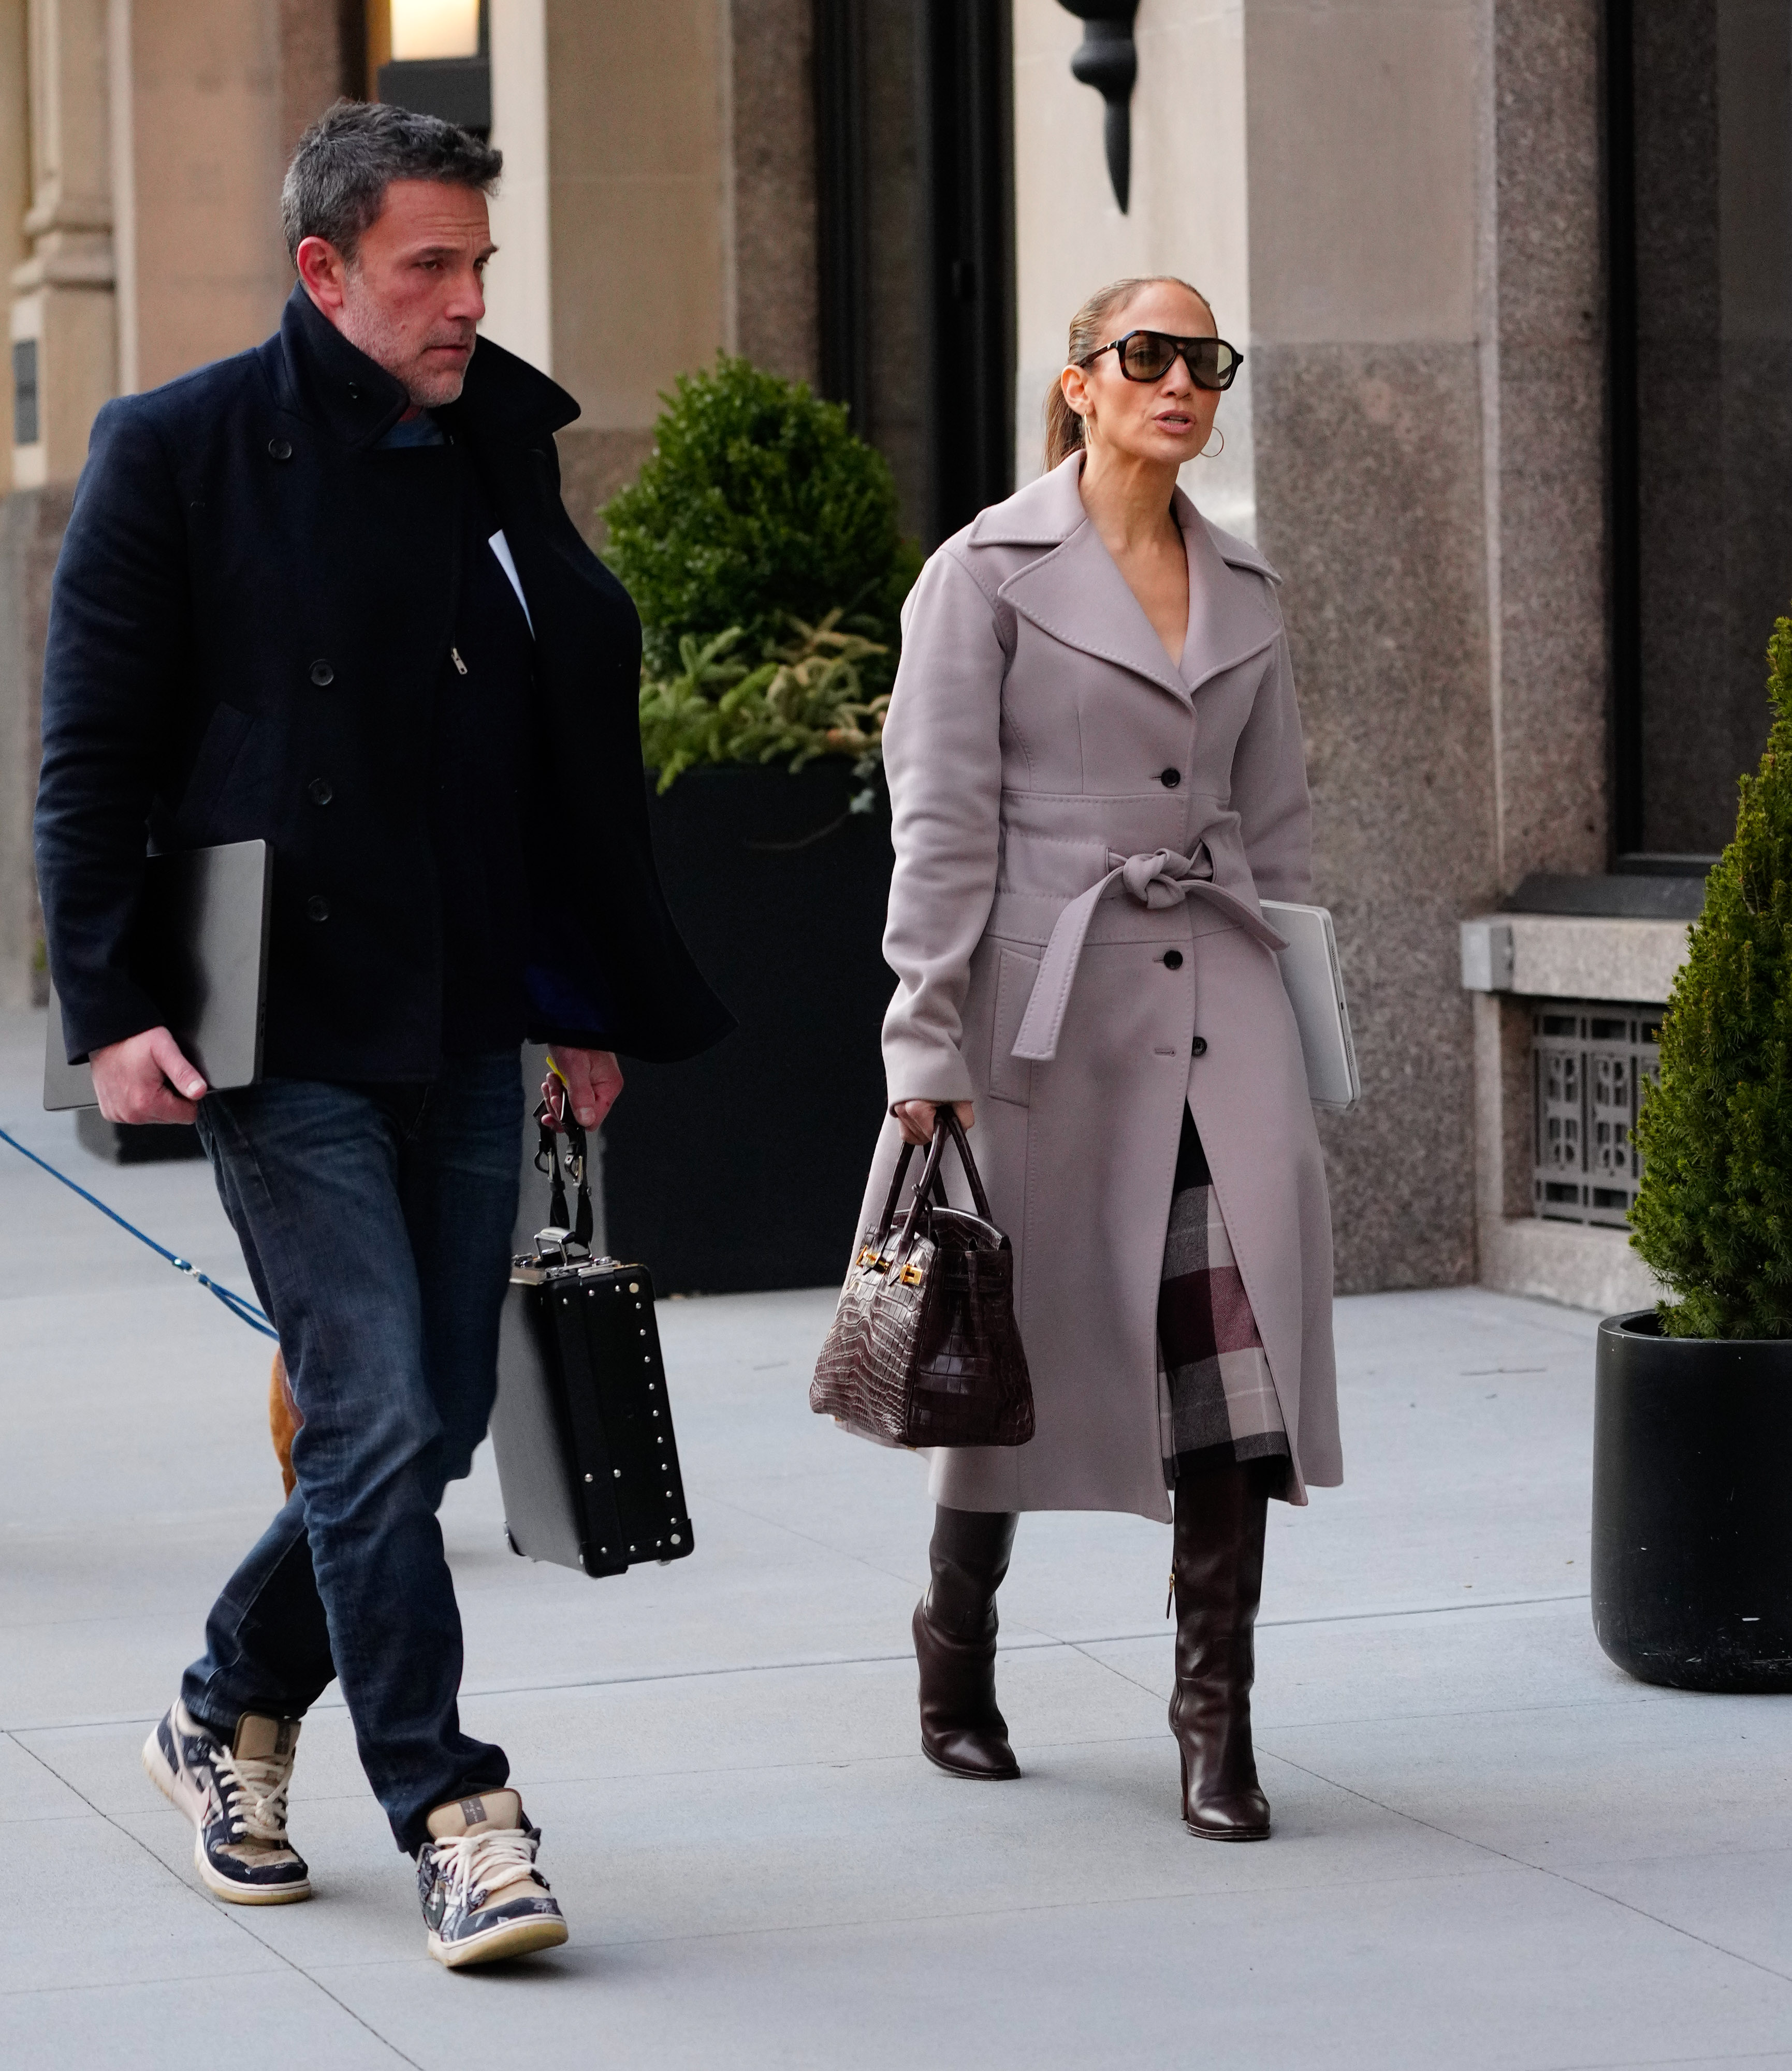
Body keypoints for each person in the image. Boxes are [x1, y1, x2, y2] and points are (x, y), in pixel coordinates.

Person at [33, 100, 729, 1962]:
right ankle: (451, 1805)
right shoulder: (177, 452)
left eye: (480, 265)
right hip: (278, 1018)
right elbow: (88, 756)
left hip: (474, 1008)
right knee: (373, 1406)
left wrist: (582, 996)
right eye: (430, 266)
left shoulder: (497, 445)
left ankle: (218, 1706)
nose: (464, 300)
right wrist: (109, 1006)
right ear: (322, 270)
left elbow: (552, 761)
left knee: (405, 1440)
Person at [851, 275, 1340, 1840]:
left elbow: (1279, 831)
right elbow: (938, 829)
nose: (1181, 382)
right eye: (1148, 355)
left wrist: (1310, 1026)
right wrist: (923, 1038)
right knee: (1012, 1355)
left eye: (1205, 359)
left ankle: (1218, 1721)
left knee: (1233, 1360)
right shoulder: (981, 577)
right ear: (1078, 383)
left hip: (1225, 1005)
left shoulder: (1248, 582)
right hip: (1040, 1020)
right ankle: (957, 1643)